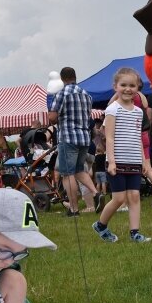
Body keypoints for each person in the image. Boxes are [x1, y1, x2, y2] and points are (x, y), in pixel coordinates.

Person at [93, 67, 152, 243]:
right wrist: (111, 161)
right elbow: (109, 137)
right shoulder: (112, 109)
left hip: (134, 160)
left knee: (134, 196)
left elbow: (138, 138)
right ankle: (101, 225)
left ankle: (135, 233)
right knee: (118, 198)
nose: (128, 89)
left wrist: (144, 162)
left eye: (132, 85)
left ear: (138, 88)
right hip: (116, 161)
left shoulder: (139, 112)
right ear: (116, 86)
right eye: (124, 85)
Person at [48, 67, 100, 217]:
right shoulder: (86, 95)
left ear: (62, 79)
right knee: (79, 171)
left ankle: (74, 209)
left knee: (67, 174)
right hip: (84, 138)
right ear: (75, 77)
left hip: (68, 137)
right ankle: (96, 193)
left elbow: (52, 117)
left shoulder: (62, 93)